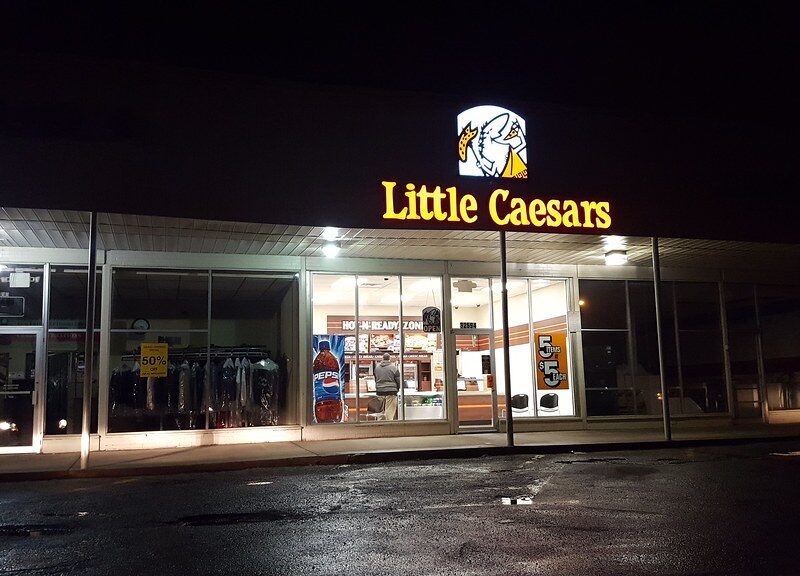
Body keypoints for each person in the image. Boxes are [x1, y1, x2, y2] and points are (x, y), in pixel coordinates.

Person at [374, 352, 401, 420]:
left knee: (380, 408)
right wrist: (397, 388)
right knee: (390, 409)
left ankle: (380, 423)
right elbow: (398, 380)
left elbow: (375, 379)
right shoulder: (393, 367)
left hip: (380, 391)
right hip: (391, 391)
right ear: (390, 359)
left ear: (382, 358)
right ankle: (388, 423)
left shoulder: (377, 368)